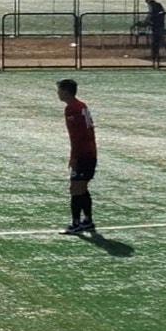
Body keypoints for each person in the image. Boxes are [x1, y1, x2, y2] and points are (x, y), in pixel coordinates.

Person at [58, 79, 98, 234]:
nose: (58, 93)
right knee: (82, 188)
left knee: (75, 188)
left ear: (66, 91)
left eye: (59, 90)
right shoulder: (81, 106)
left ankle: (76, 224)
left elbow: (78, 136)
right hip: (89, 153)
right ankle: (87, 220)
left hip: (84, 154)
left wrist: (74, 156)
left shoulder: (72, 109)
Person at [143, 0, 166, 67]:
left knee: (155, 42)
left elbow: (150, 15)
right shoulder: (157, 5)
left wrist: (147, 21)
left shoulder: (153, 6)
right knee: (156, 42)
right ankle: (156, 56)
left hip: (156, 26)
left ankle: (155, 56)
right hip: (158, 25)